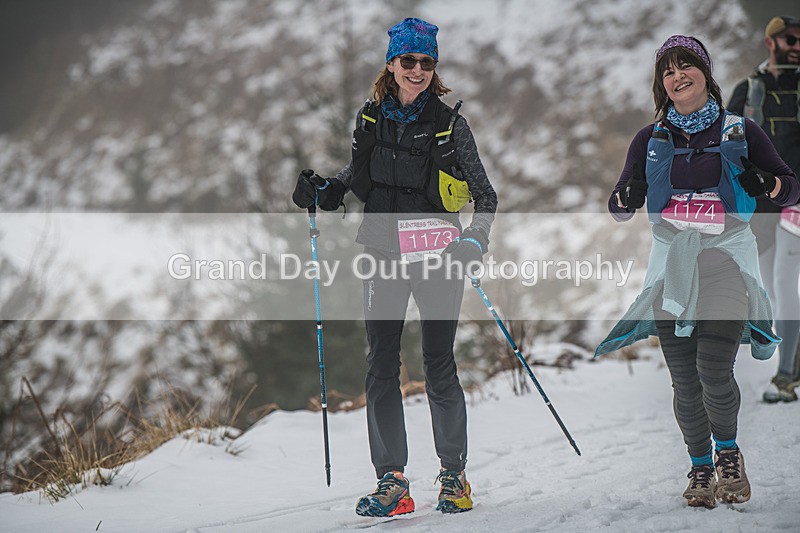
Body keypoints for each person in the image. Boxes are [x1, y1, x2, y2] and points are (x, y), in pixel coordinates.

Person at [292, 17, 497, 517]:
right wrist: (327, 190)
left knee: (438, 363)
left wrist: (474, 239)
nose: (418, 70)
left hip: (437, 256)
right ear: (391, 63)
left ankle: (454, 477)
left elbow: (486, 196)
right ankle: (393, 482)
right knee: (380, 364)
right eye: (409, 60)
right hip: (381, 253)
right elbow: (357, 175)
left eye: (427, 62)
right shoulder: (368, 118)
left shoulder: (451, 124)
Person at [595, 35, 799, 508]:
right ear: (660, 85)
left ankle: (728, 455)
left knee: (712, 367)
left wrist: (766, 183)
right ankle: (700, 468)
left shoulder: (741, 130)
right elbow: (621, 202)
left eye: (686, 67)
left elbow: (790, 187)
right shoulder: (650, 139)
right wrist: (624, 200)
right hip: (673, 268)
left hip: (726, 260)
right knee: (684, 379)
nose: (677, 76)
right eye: (667, 71)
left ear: (706, 75)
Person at [728, 15, 800, 403]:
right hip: (758, 208)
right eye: (790, 39)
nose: (797, 45)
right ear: (770, 43)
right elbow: (727, 145)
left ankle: (785, 377)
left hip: (795, 200)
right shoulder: (748, 91)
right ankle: (793, 356)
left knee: (787, 284)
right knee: (771, 288)